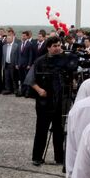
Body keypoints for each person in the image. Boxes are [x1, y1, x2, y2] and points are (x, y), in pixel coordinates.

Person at [29, 36, 73, 166]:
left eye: (59, 45)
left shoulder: (65, 61)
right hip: (44, 102)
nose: (57, 48)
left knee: (59, 130)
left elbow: (71, 77)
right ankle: (37, 157)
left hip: (60, 101)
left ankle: (59, 157)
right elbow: (30, 79)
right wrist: (39, 90)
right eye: (54, 46)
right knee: (41, 129)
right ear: (48, 47)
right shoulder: (40, 61)